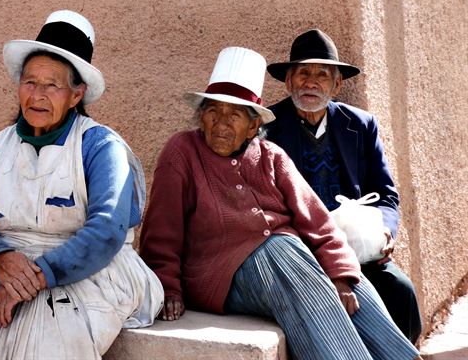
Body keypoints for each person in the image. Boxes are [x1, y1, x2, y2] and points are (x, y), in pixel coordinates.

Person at [139, 46, 420, 360]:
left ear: (252, 127)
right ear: (201, 118)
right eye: (213, 111)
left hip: (286, 259)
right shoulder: (181, 151)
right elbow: (162, 231)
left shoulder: (271, 156)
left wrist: (341, 275)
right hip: (219, 273)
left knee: (351, 284)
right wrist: (168, 287)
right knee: (285, 252)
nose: (221, 123)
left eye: (234, 115)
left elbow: (317, 223)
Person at [0, 10, 163, 360]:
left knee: (46, 345)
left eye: (53, 85)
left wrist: (36, 277)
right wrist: (0, 259)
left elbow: (106, 231)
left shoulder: (101, 146)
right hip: (6, 264)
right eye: (30, 82)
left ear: (77, 95)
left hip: (82, 269)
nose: (38, 95)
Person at [265, 29, 422, 344]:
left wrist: (386, 230)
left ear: (337, 84)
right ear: (288, 82)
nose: (311, 82)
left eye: (322, 74)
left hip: (359, 249)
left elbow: (386, 195)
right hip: (302, 251)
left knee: (400, 292)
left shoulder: (361, 126)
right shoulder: (268, 128)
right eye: (303, 73)